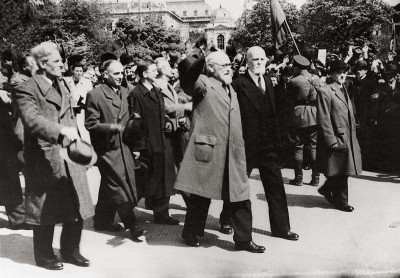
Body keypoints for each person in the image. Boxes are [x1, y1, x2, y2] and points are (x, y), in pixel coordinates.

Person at [175, 51, 265, 253]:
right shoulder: (204, 83)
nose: (228, 68)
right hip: (209, 150)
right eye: (223, 65)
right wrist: (201, 58)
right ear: (211, 67)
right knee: (200, 195)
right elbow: (189, 80)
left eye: (229, 65)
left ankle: (243, 239)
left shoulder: (229, 86)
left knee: (240, 195)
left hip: (233, 152)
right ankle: (191, 232)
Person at [14, 41, 94, 270]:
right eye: (57, 60)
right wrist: (59, 132)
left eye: (62, 60)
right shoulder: (27, 88)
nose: (63, 64)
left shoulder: (64, 84)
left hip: (70, 156)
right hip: (44, 157)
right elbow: (32, 121)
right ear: (42, 63)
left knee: (76, 205)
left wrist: (81, 148)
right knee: (44, 210)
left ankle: (70, 251)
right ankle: (44, 255)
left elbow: (70, 120)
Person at [232, 46, 298, 241]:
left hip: (268, 145)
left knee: (275, 185)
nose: (259, 63)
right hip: (246, 145)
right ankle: (227, 220)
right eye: (255, 60)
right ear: (247, 62)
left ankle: (281, 228)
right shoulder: (238, 85)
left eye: (262, 59)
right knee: (239, 188)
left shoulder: (269, 81)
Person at [85, 60, 146, 239]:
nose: (120, 77)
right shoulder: (95, 94)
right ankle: (132, 226)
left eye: (122, 73)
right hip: (107, 149)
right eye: (116, 74)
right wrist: (112, 127)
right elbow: (90, 124)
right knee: (119, 186)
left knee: (109, 185)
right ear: (105, 75)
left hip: (125, 147)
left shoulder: (126, 93)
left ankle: (101, 220)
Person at [130, 59, 180, 225]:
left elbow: (161, 113)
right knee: (146, 180)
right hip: (148, 145)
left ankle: (162, 214)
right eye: (152, 70)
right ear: (144, 74)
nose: (156, 73)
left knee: (163, 179)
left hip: (162, 142)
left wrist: (166, 122)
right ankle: (122, 211)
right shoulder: (136, 94)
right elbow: (135, 122)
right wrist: (140, 146)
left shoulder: (157, 91)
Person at [316, 59, 362, 212]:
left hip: (347, 135)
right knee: (341, 170)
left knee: (342, 170)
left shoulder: (344, 89)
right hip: (337, 136)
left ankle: (327, 190)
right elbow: (324, 117)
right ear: (332, 74)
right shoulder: (325, 91)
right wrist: (331, 139)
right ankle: (342, 202)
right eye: (339, 72)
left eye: (344, 72)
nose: (342, 75)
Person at [286, 55, 320, 186]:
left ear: (297, 67)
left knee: (298, 147)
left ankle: (298, 179)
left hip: (299, 115)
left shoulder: (295, 81)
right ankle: (315, 178)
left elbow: (288, 99)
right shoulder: (316, 78)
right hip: (314, 115)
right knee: (313, 147)